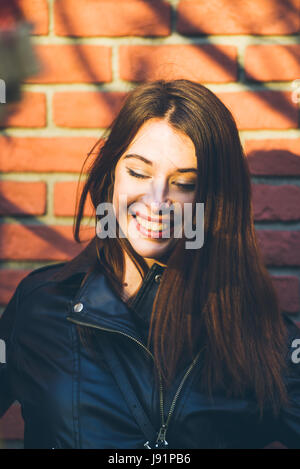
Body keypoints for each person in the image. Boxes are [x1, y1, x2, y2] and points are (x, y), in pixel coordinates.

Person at [0, 79, 300, 449]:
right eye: (139, 173)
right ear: (111, 173)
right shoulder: (39, 305)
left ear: (215, 198)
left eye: (185, 183)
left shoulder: (264, 338)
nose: (157, 201)